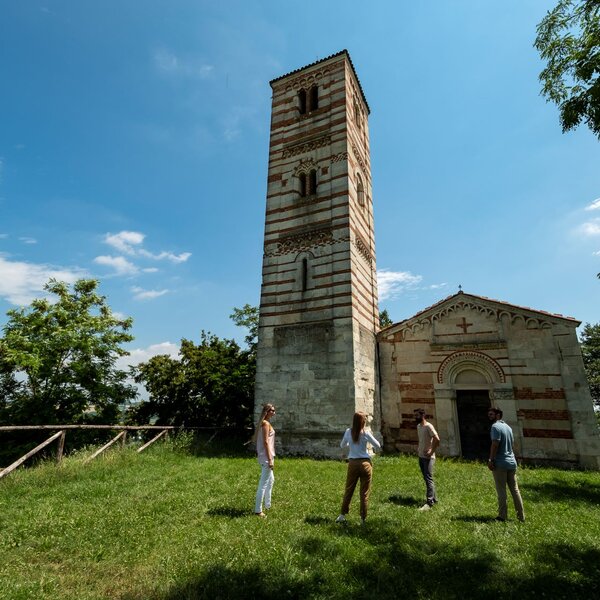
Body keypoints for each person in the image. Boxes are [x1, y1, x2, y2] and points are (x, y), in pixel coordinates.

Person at [335, 411, 381, 525]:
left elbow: (342, 445)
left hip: (353, 463)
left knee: (349, 489)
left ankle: (342, 515)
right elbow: (378, 445)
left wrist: (349, 444)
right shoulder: (365, 433)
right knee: (364, 492)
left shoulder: (348, 432)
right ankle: (363, 518)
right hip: (365, 463)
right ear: (363, 421)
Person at [487, 407, 525, 522]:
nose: (489, 416)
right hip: (511, 462)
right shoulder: (508, 427)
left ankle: (502, 516)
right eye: (489, 414)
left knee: (501, 490)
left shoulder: (495, 427)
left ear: (498, 415)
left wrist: (491, 460)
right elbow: (512, 445)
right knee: (515, 490)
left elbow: (495, 444)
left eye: (491, 414)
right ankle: (521, 517)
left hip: (500, 463)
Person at [414, 408, 440, 511]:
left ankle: (429, 502)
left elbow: (437, 439)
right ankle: (434, 498)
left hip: (429, 457)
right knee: (426, 477)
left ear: (422, 415)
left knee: (428, 478)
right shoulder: (419, 426)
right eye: (414, 415)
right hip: (421, 455)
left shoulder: (429, 426)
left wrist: (431, 451)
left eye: (417, 415)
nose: (415, 417)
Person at [253, 403, 276, 517]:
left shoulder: (264, 423)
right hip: (267, 457)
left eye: (274, 410)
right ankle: (258, 510)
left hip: (266, 456)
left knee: (271, 480)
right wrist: (270, 459)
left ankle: (268, 505)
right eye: (271, 410)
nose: (274, 412)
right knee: (263, 484)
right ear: (266, 412)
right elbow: (266, 442)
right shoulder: (265, 424)